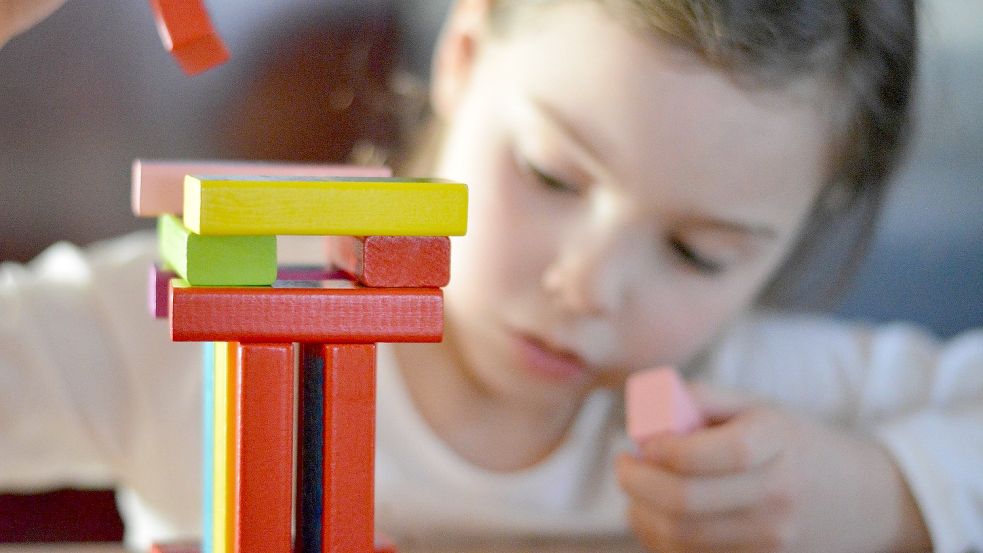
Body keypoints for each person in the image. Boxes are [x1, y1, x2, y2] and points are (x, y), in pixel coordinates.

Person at [1, 1, 981, 552]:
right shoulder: (198, 331)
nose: (587, 285)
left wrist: (882, 493)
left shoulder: (749, 410)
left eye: (697, 251)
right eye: (551, 175)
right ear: (464, 60)